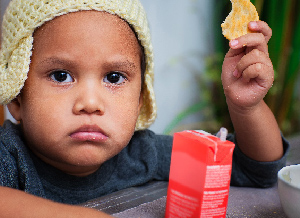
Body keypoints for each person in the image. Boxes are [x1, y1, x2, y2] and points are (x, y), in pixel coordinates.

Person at [0, 0, 288, 217]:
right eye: (61, 75)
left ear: (140, 99)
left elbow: (254, 172)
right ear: (16, 96)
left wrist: (247, 108)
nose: (90, 103)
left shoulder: (141, 154)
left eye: (114, 78)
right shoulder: (9, 154)